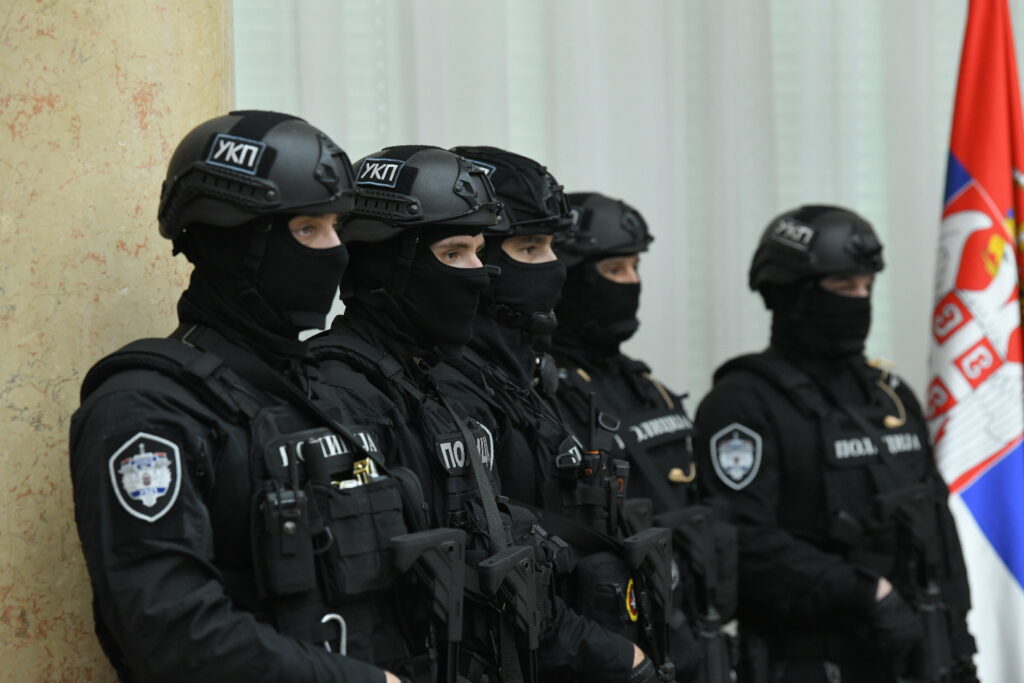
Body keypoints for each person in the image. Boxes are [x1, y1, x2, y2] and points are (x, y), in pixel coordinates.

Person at [70, 110, 421, 682]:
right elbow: (171, 631)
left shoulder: (324, 391)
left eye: (336, 226)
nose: (336, 251)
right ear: (232, 240)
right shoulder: (146, 409)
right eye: (308, 229)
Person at [305, 145, 654, 683]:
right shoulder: (342, 391)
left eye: (480, 251)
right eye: (455, 253)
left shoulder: (434, 381)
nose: (480, 273)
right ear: (387, 262)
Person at [694, 205, 977, 683]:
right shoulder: (742, 404)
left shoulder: (889, 395)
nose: (860, 299)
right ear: (791, 293)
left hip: (921, 657)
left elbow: (937, 525)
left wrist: (959, 641)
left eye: (867, 286)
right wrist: (866, 592)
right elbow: (744, 544)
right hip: (809, 662)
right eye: (844, 287)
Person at [549, 193, 737, 683]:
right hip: (614, 655)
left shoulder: (647, 387)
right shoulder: (542, 395)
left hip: (690, 637)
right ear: (568, 276)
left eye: (636, 267)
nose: (632, 282)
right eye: (614, 270)